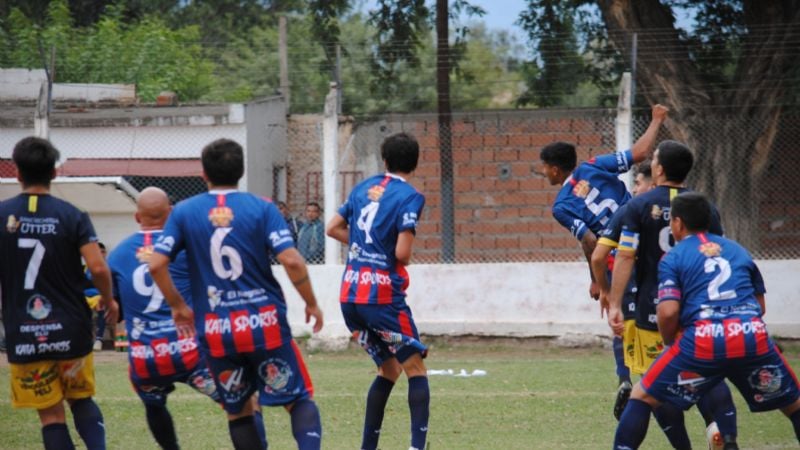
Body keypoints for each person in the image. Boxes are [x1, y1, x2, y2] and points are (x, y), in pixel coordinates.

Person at [149, 138, 324, 450]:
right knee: (298, 399)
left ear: (204, 173)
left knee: (238, 410)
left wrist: (177, 305)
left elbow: (157, 263)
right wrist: (311, 302)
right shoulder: (262, 207)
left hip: (217, 331)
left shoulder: (185, 212)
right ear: (241, 171)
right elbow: (293, 260)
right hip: (264, 324)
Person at [613, 192, 800, 449]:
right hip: (751, 336)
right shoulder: (738, 251)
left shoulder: (674, 257)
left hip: (702, 341)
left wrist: (671, 343)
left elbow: (667, 312)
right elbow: (759, 306)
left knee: (642, 396)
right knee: (794, 404)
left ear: (677, 224)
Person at [109, 187, 267, 450]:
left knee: (153, 402)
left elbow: (117, 309)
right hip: (191, 351)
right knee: (245, 403)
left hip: (146, 357)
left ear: (138, 217)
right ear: (171, 213)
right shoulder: (188, 247)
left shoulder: (118, 255)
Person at [540, 103, 668, 418]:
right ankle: (661, 378)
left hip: (618, 254)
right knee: (663, 311)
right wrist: (656, 120)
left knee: (620, 319)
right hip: (648, 239)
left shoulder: (562, 205)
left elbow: (591, 240)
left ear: (555, 169)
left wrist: (600, 283)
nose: (543, 172)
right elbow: (639, 153)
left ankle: (630, 381)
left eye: (543, 167)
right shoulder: (593, 165)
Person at [607, 140, 737, 449]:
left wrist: (614, 303)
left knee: (651, 389)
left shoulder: (638, 205)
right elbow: (714, 253)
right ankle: (721, 431)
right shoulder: (702, 206)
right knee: (709, 375)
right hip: (699, 310)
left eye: (653, 158)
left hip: (654, 312)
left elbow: (623, 257)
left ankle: (682, 446)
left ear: (659, 168)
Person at [0, 137, 118, 450]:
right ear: (54, 172)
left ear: (17, 173)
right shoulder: (72, 215)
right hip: (71, 328)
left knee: (51, 416)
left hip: (24, 331)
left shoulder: (2, 215)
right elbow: (99, 268)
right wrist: (108, 300)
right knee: (81, 399)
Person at [326, 132, 429, 450]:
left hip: (350, 295)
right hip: (381, 297)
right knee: (415, 369)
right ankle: (417, 447)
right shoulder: (410, 196)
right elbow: (402, 254)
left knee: (388, 368)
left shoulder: (361, 188)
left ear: (384, 160)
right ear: (415, 162)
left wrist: (361, 246)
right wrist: (384, 251)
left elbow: (332, 228)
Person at [590, 161, 654, 419]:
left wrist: (606, 291)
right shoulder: (692, 205)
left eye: (638, 183)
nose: (635, 189)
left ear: (655, 179)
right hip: (675, 289)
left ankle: (627, 380)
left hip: (636, 281)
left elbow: (599, 255)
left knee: (625, 328)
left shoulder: (632, 208)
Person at [85, 242, 109, 351]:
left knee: (101, 305)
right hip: (85, 296)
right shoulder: (87, 267)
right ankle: (85, 338)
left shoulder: (109, 266)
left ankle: (98, 339)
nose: (100, 254)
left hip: (100, 295)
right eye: (98, 252)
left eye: (102, 252)